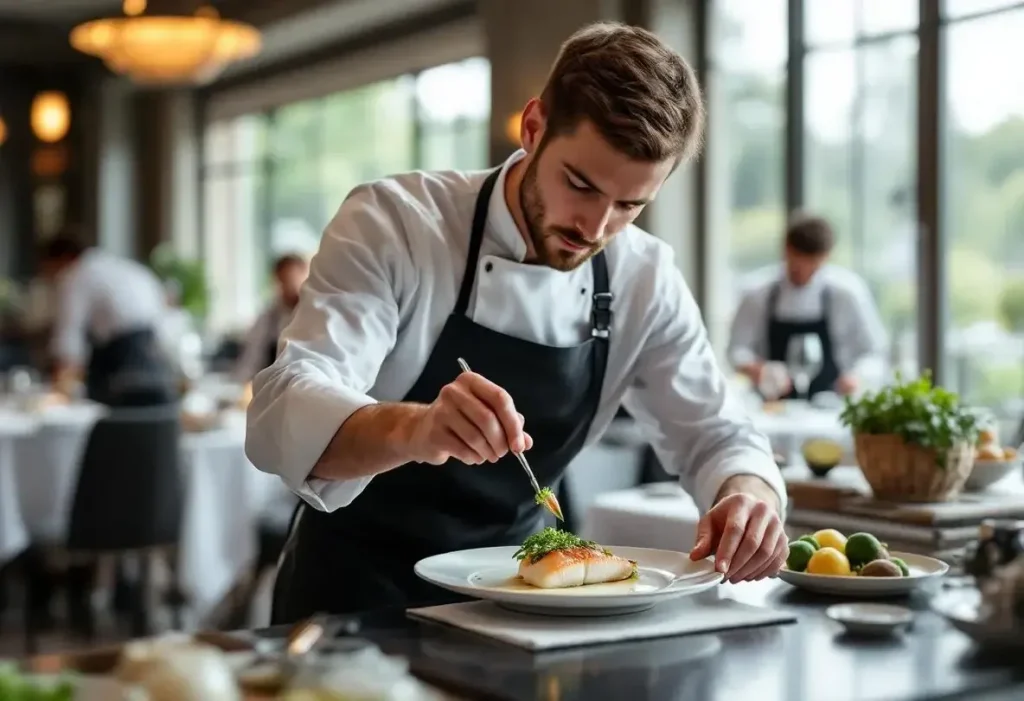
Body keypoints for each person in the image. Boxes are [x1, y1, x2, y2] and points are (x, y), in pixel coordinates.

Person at [247, 22, 789, 624]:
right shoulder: (398, 222)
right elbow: (281, 409)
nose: (595, 225)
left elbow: (715, 434)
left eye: (630, 205)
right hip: (353, 599)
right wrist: (415, 429)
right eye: (579, 184)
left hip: (527, 600)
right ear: (533, 129)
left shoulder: (644, 275)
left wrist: (749, 496)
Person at [727, 214, 887, 400]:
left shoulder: (847, 292)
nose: (804, 272)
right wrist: (758, 369)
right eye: (798, 263)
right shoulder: (756, 294)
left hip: (832, 405)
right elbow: (736, 350)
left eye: (813, 265)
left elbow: (874, 351)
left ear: (826, 257)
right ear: (786, 250)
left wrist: (857, 377)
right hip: (771, 406)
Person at [41, 235, 177, 407]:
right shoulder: (124, 268)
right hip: (155, 361)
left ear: (62, 258)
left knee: (115, 421)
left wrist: (60, 390)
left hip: (122, 364)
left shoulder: (77, 275)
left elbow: (69, 338)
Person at [234, 253, 309, 383]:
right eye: (285, 280)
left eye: (294, 279)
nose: (290, 286)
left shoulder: (315, 313)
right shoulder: (269, 318)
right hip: (276, 387)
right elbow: (251, 358)